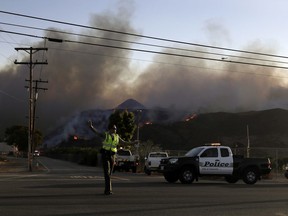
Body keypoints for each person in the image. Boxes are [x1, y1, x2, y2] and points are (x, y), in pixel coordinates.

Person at [88, 120, 138, 195]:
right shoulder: (106, 135)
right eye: (114, 128)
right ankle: (108, 190)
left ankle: (108, 189)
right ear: (110, 129)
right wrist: (91, 127)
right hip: (105, 155)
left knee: (110, 173)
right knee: (107, 173)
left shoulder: (117, 136)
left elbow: (124, 142)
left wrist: (133, 143)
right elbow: (97, 133)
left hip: (112, 156)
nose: (115, 130)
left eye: (115, 129)